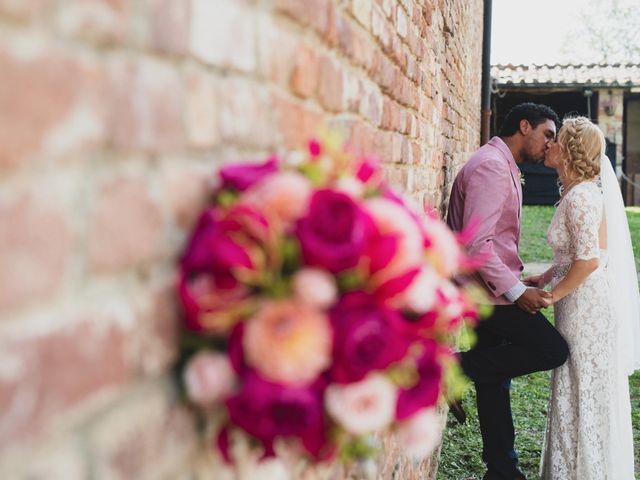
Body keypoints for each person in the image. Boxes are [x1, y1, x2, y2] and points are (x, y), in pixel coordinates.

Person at [446, 102, 569, 480]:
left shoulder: (501, 164)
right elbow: (477, 245)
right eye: (547, 134)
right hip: (485, 295)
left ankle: (503, 470)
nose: (550, 144)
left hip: (490, 287)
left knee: (493, 381)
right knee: (552, 349)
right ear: (525, 125)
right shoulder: (491, 166)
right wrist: (517, 291)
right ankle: (448, 367)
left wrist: (520, 277)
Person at [525, 116, 640, 479]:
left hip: (586, 310)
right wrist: (545, 276)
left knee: (583, 392)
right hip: (578, 305)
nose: (549, 145)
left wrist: (551, 294)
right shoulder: (580, 193)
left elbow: (589, 261)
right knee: (575, 390)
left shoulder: (581, 198)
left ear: (570, 152)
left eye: (556, 140)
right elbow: (573, 256)